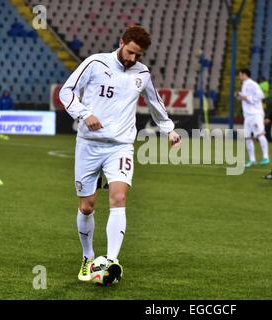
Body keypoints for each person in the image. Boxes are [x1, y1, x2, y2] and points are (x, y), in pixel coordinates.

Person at [59, 25, 181, 286]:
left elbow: (155, 102)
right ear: (121, 42)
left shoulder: (142, 73)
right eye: (130, 52)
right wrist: (84, 114)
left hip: (121, 145)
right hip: (89, 144)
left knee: (119, 197)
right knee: (87, 206)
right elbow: (66, 92)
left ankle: (111, 260)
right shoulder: (95, 63)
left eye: (139, 55)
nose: (133, 59)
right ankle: (88, 256)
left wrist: (169, 128)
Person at [235, 68, 269, 167]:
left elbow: (261, 95)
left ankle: (266, 157)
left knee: (260, 134)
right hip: (248, 116)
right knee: (247, 137)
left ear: (244, 74)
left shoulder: (252, 84)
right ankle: (252, 160)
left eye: (240, 74)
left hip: (256, 114)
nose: (239, 76)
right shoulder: (245, 84)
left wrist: (247, 98)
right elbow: (245, 97)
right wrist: (239, 95)